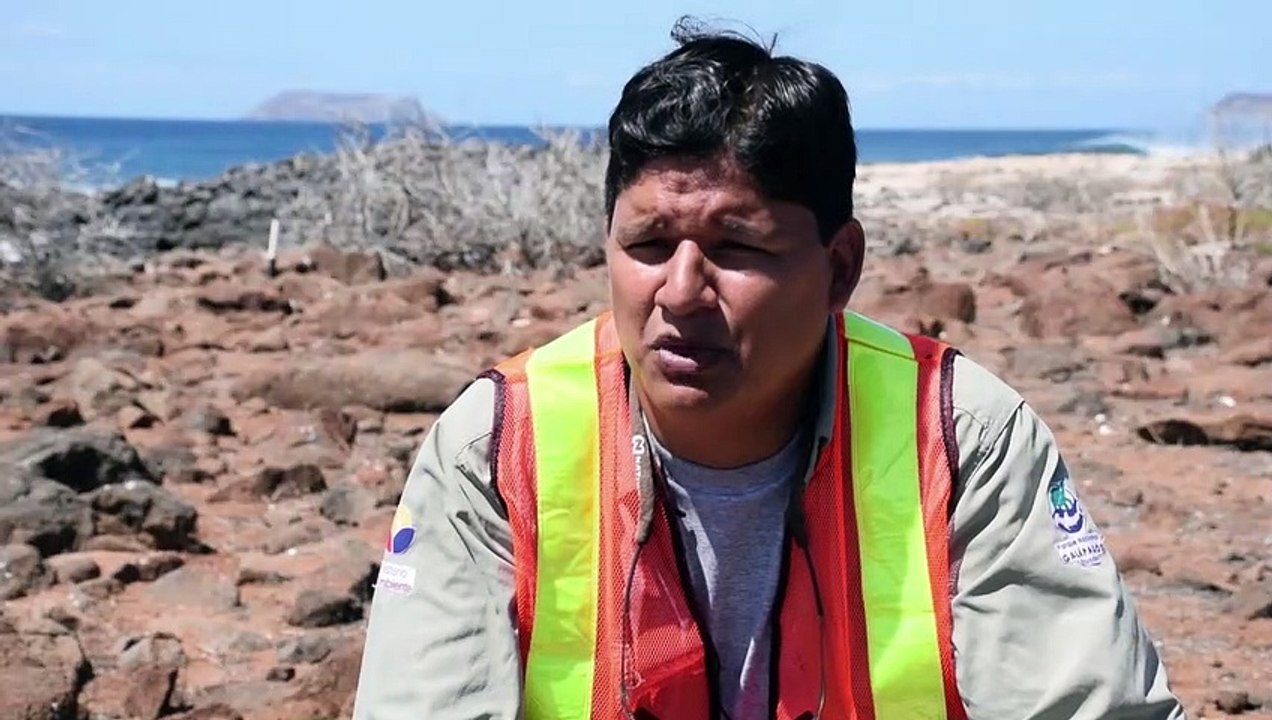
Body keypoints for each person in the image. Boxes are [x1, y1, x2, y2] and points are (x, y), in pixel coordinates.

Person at [350, 20, 1186, 720]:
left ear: (840, 265)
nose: (679, 291)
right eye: (646, 246)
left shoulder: (958, 432)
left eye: (736, 248)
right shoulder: (500, 446)